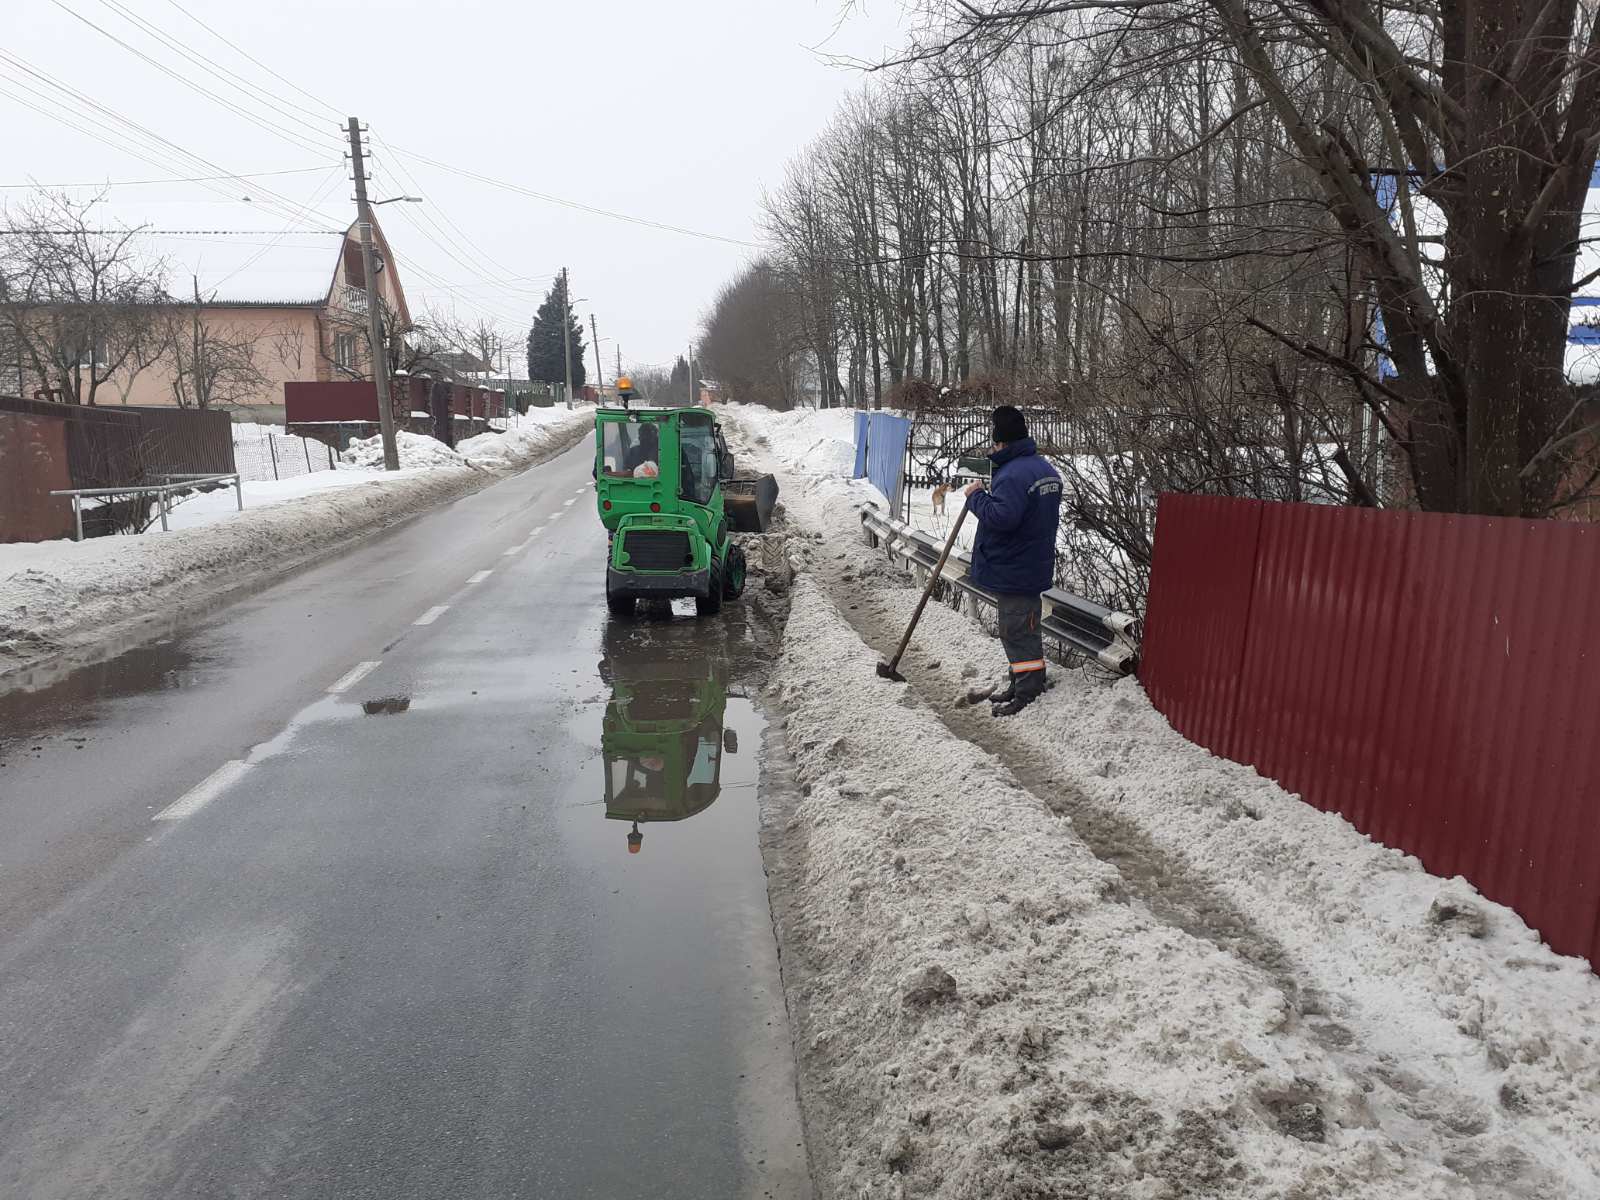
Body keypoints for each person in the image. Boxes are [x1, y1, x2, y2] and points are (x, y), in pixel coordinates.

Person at [963, 405, 1063, 716]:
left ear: (1002, 443)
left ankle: (1028, 693)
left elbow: (1002, 517)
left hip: (1015, 567)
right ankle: (1021, 682)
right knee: (1024, 627)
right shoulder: (1044, 469)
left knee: (1016, 631)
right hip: (1033, 562)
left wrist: (976, 496)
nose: (993, 448)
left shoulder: (1011, 475)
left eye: (994, 443)